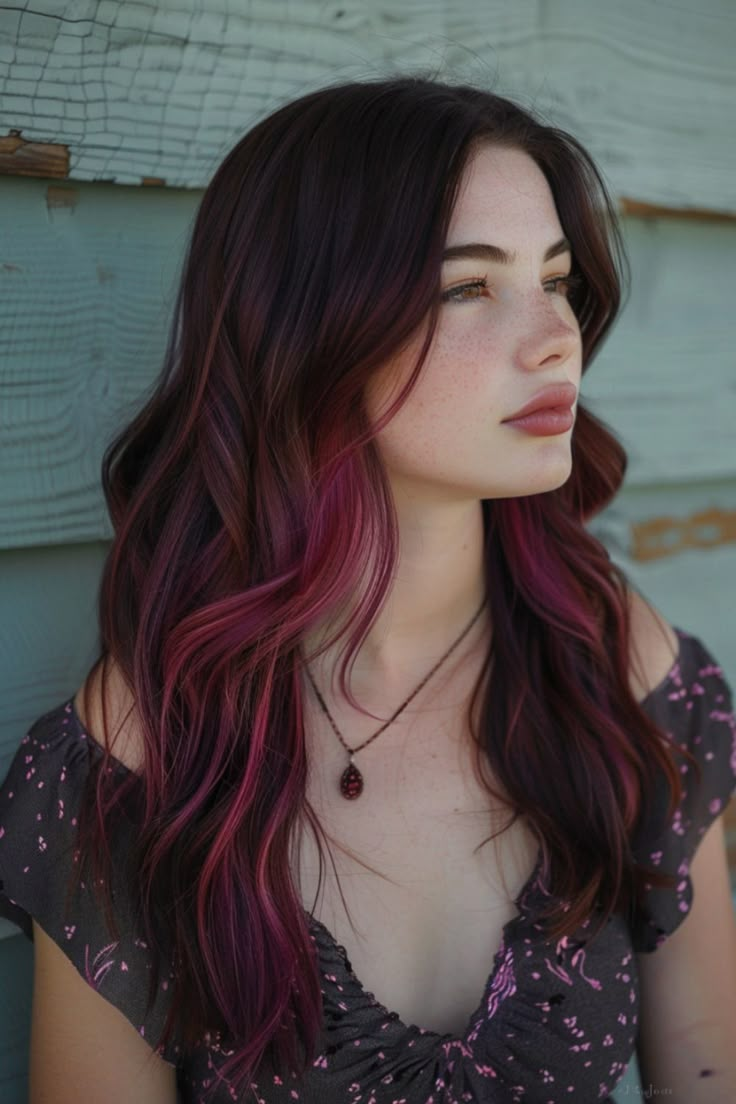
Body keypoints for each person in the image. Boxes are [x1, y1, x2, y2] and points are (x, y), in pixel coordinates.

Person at [1, 74, 734, 1104]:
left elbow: (708, 1066)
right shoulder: (143, 751)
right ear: (309, 325)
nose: (554, 335)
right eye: (467, 286)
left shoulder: (618, 668)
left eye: (557, 279)